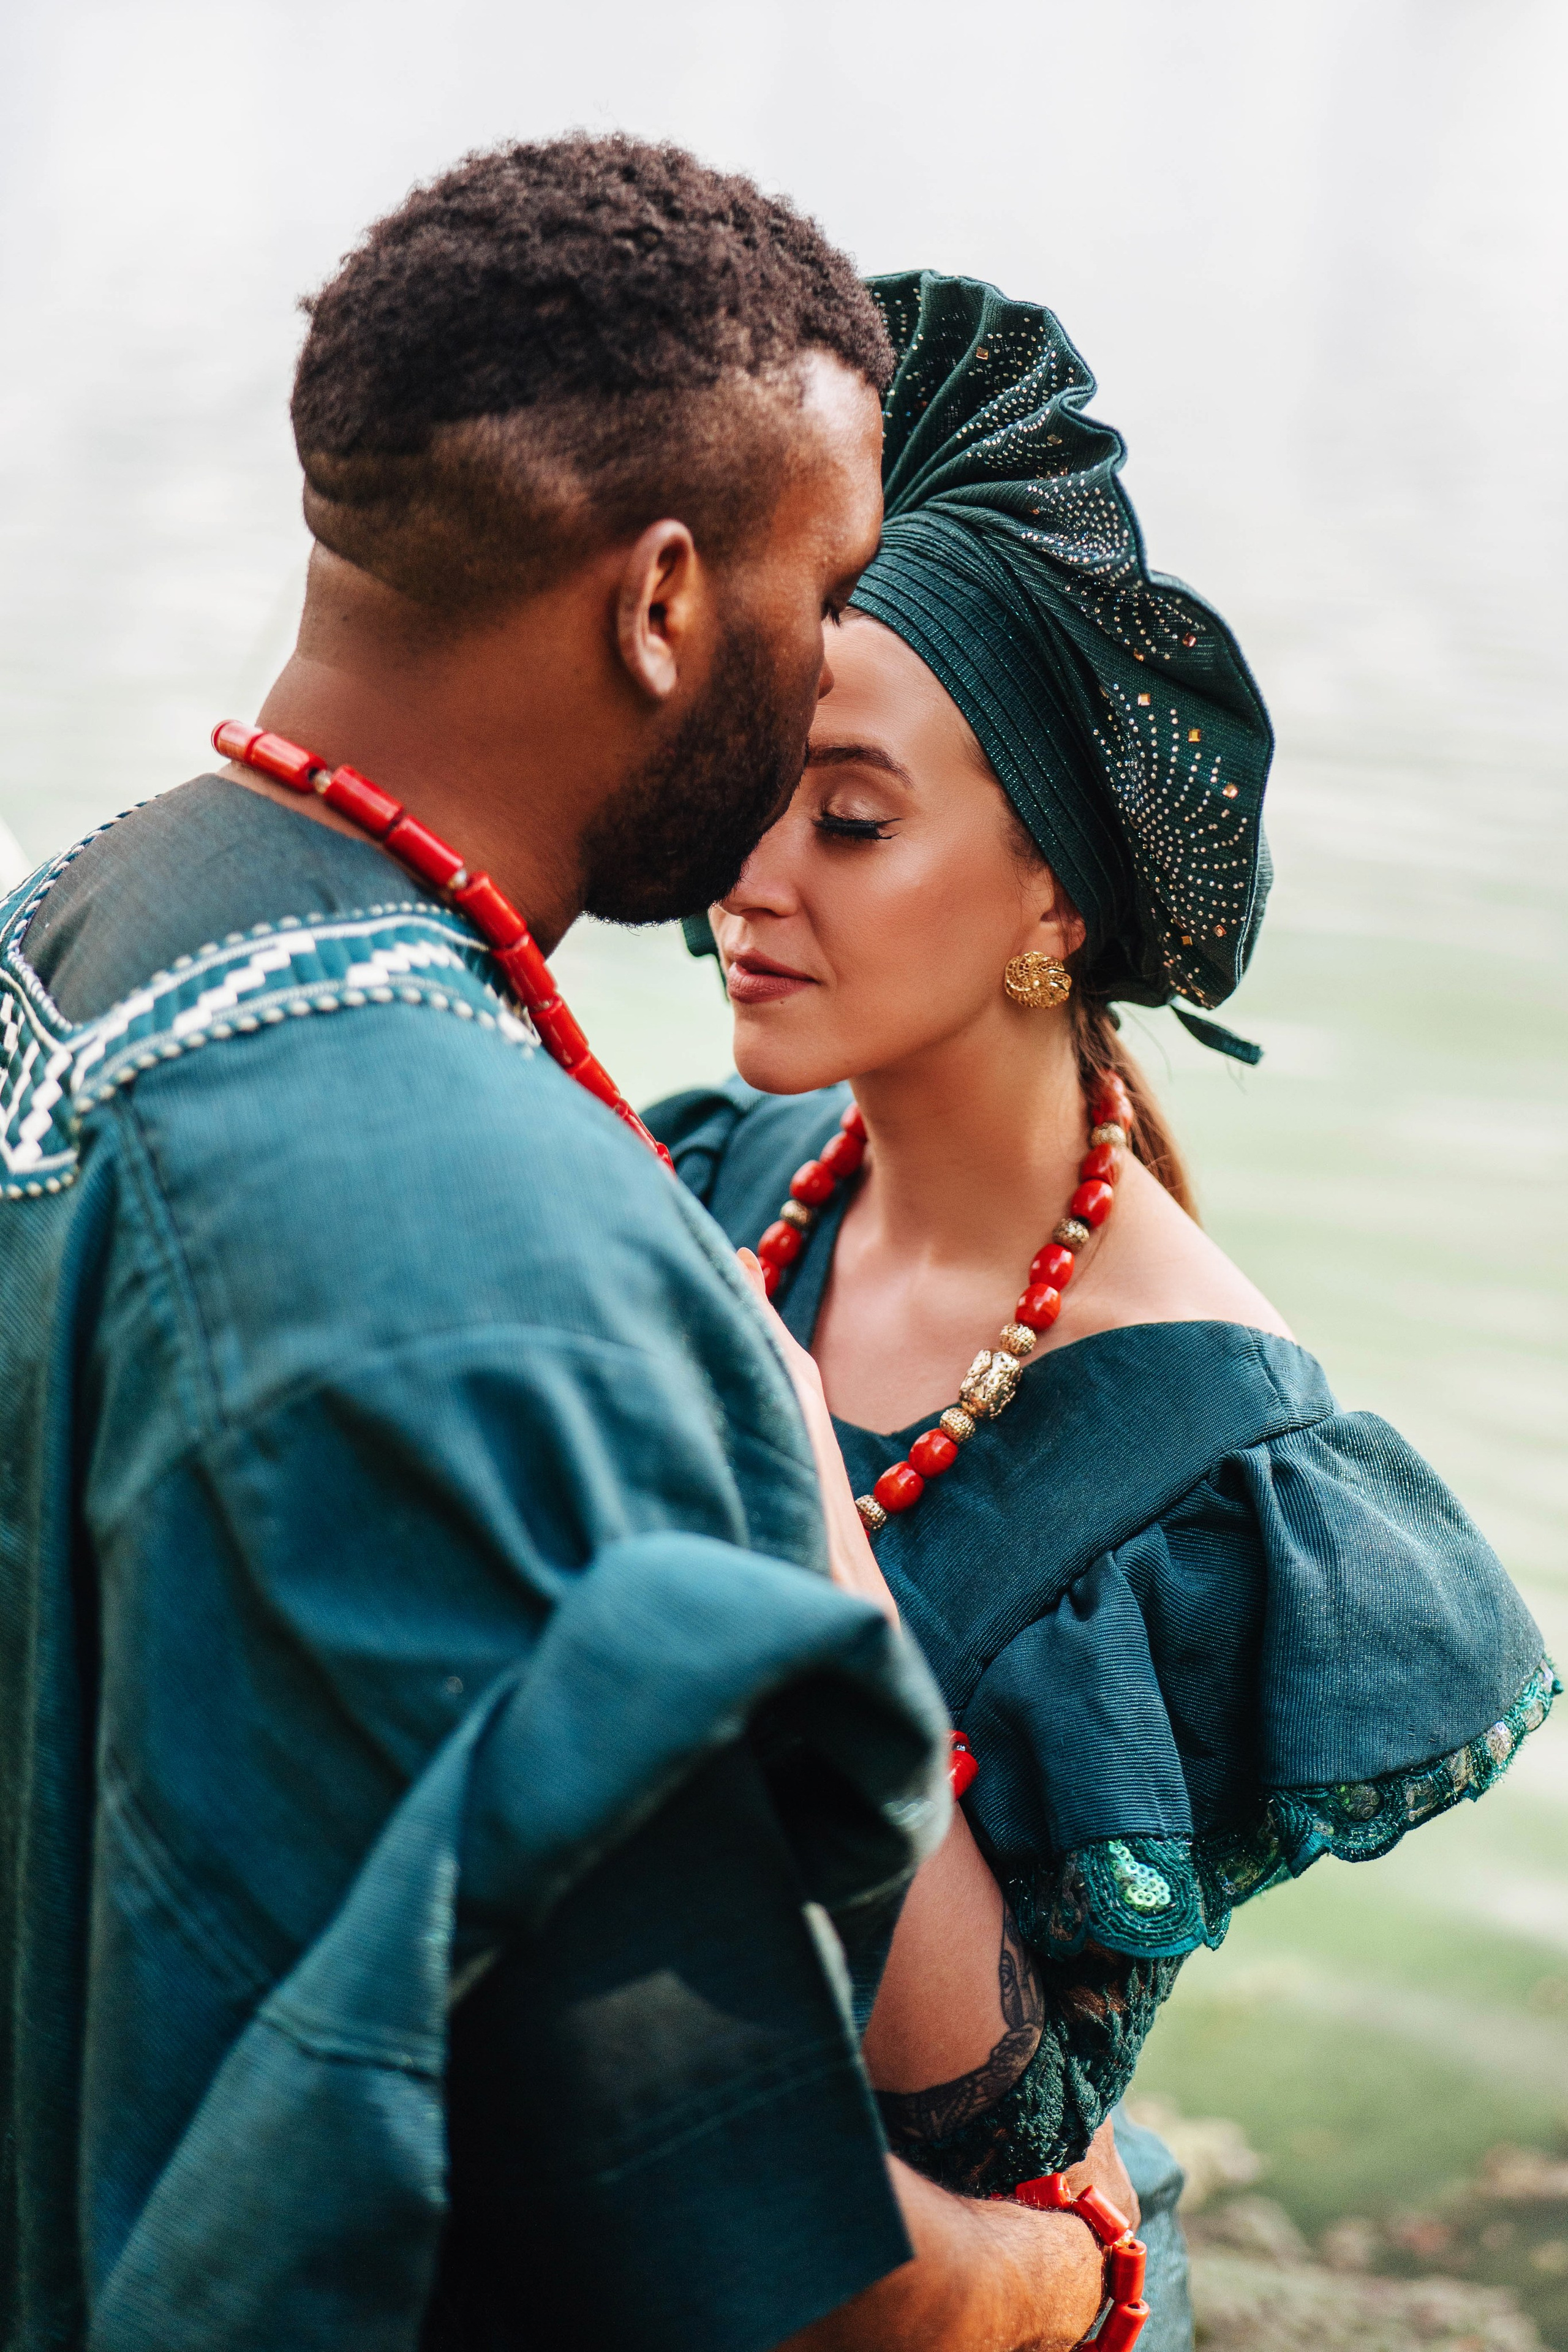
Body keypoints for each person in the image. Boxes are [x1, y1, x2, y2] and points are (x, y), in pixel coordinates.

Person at [0, 170, 1137, 2352]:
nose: (823, 671)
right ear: (665, 603)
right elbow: (735, 2255)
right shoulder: (493, 1272)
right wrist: (1080, 2270)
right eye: (830, 590)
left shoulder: (84, 916)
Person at [652, 268, 1558, 2352]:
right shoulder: (732, 1175)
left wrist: (810, 1525)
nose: (748, 877)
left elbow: (1004, 2133)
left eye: (849, 818)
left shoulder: (1220, 1471)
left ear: (1057, 890)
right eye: (744, 782)